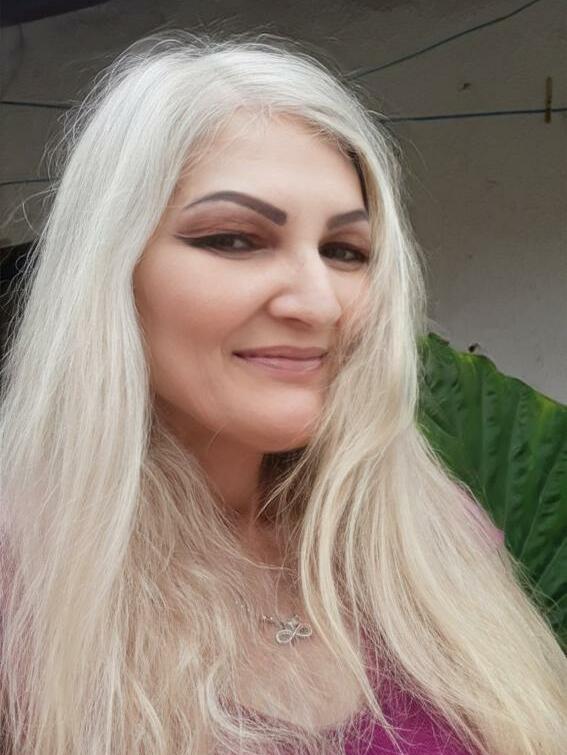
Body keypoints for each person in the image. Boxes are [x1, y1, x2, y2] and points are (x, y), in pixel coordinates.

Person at [0, 30, 565, 755]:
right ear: (111, 270)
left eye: (345, 251)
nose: (319, 302)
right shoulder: (24, 580)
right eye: (234, 239)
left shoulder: (430, 532)